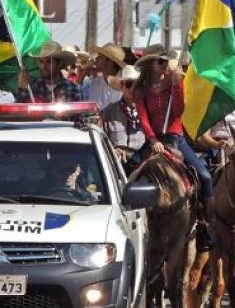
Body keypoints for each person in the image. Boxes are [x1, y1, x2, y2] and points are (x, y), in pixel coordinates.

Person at [133, 45, 215, 224]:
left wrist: (177, 85)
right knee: (128, 170)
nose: (165, 65)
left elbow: (178, 111)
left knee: (205, 176)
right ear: (150, 64)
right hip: (154, 140)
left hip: (176, 140)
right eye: (160, 61)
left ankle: (207, 223)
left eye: (165, 61)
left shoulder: (174, 84)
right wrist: (153, 139)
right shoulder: (141, 90)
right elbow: (143, 118)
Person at [101, 65, 146, 174]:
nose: (132, 89)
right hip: (116, 169)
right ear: (122, 86)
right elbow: (101, 141)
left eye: (137, 86)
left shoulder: (148, 111)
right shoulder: (108, 113)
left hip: (142, 169)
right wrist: (112, 151)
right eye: (129, 84)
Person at [16, 41, 82, 103]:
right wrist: (22, 88)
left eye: (49, 62)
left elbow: (80, 114)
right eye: (41, 61)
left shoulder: (73, 89)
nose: (43, 66)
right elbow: (17, 112)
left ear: (59, 64)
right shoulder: (32, 87)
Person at [83, 42, 126, 110]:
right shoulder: (94, 83)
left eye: (100, 56)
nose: (96, 59)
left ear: (109, 60)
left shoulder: (125, 83)